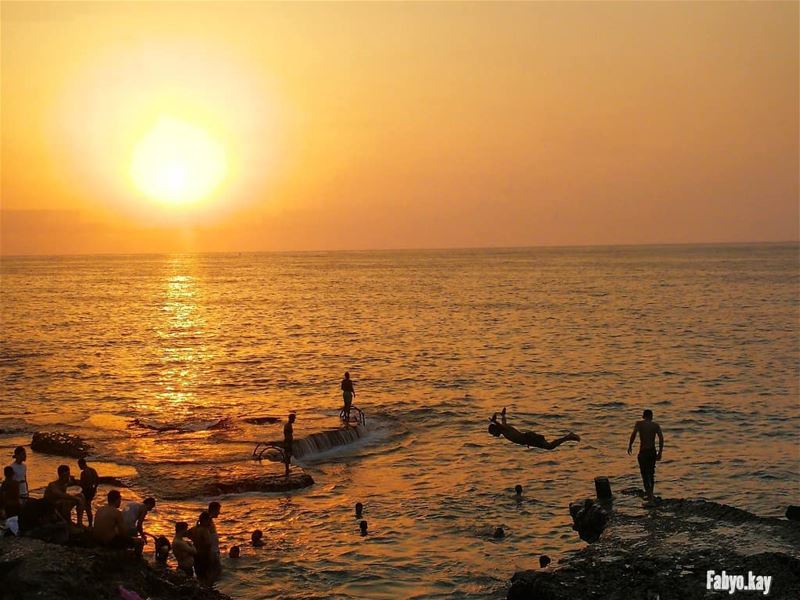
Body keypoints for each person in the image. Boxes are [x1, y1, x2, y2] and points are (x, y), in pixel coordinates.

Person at [488, 408, 580, 449]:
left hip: (529, 438)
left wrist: (494, 421)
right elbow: (503, 421)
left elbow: (500, 424)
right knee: (550, 446)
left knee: (550, 446)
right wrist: (503, 415)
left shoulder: (504, 429)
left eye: (493, 433)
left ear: (496, 429)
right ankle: (568, 437)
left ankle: (568, 437)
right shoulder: (504, 430)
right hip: (529, 439)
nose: (494, 435)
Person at [627, 409, 664, 501]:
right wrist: (660, 452)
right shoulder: (655, 425)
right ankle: (651, 493)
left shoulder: (639, 424)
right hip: (652, 451)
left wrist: (630, 445)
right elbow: (661, 439)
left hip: (643, 452)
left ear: (643, 416)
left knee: (644, 474)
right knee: (651, 473)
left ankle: (649, 495)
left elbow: (633, 434)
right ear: (651, 416)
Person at [93, 490, 143, 555]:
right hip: (108, 542)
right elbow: (123, 533)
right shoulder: (117, 512)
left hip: (97, 539)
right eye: (120, 500)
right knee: (140, 542)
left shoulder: (100, 509)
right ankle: (137, 561)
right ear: (116, 500)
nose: (120, 502)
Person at [188, 511, 214, 585]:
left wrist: (193, 540)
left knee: (199, 574)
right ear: (205, 520)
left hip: (196, 555)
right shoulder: (204, 530)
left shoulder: (194, 529)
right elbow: (208, 543)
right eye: (209, 520)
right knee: (206, 576)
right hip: (204, 555)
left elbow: (185, 534)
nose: (211, 522)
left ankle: (200, 588)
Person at [76, 458, 98, 526]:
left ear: (81, 464)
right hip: (92, 491)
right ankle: (90, 524)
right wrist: (94, 489)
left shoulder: (83, 473)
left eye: (79, 465)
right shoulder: (93, 470)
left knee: (82, 507)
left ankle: (81, 523)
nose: (79, 467)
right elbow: (97, 481)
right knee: (88, 507)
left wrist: (76, 482)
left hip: (86, 492)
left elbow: (83, 485)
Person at [208, 501, 222, 579]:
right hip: (212, 552)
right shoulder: (208, 521)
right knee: (216, 573)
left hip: (214, 551)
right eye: (218, 510)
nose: (219, 513)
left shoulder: (210, 521)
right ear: (214, 510)